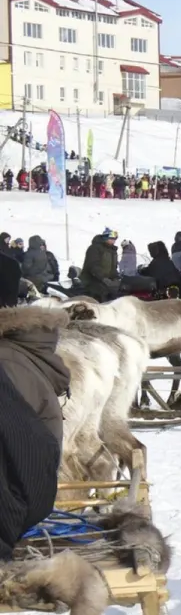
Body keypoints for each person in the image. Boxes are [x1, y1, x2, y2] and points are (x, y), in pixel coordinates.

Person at [0, 303, 68, 561]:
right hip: (29, 495)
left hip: (16, 505)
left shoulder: (5, 361)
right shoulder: (20, 352)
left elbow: (18, 450)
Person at [79, 230, 122, 300]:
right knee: (103, 292)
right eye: (111, 239)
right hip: (91, 279)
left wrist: (116, 278)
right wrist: (104, 279)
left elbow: (113, 268)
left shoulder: (113, 251)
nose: (113, 241)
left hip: (105, 280)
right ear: (105, 238)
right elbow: (93, 265)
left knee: (120, 290)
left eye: (114, 239)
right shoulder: (94, 248)